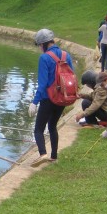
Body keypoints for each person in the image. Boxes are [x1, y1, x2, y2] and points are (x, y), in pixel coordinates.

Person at [27, 28, 75, 167]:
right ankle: (54, 156)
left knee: (38, 130)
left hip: (48, 99)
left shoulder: (44, 58)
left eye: (39, 46)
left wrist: (34, 102)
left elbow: (42, 85)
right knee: (52, 126)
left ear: (42, 44)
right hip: (63, 98)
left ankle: (43, 154)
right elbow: (71, 76)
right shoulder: (66, 55)